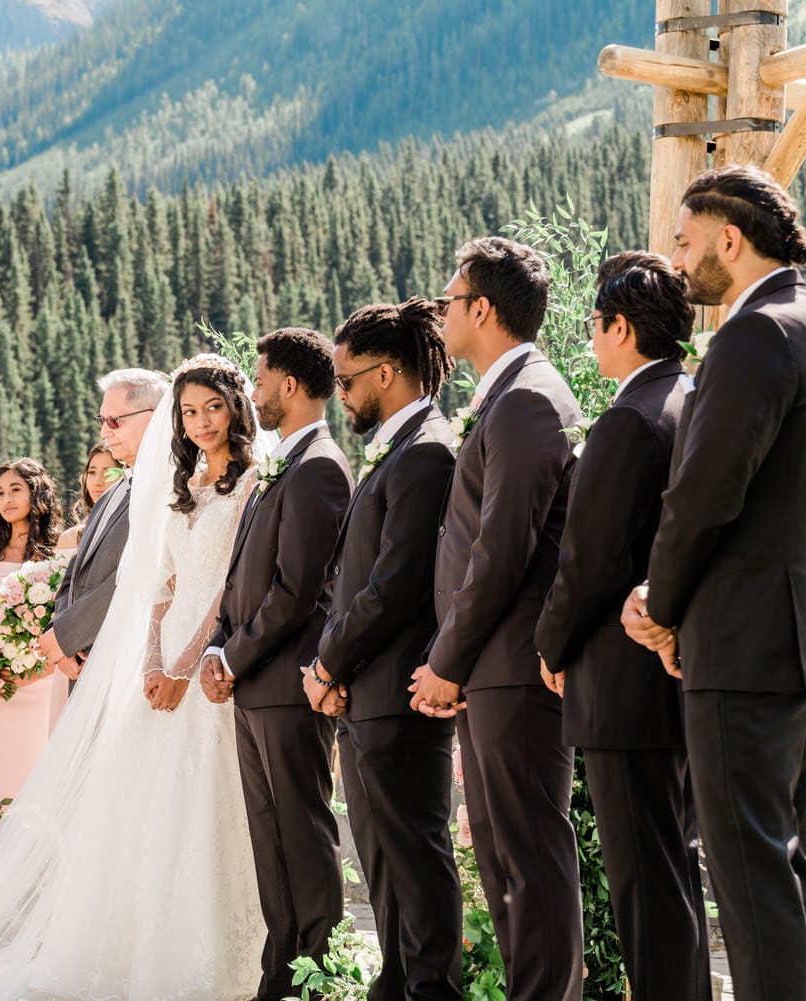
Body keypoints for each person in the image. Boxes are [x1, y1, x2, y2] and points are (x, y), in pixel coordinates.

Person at [0, 354, 268, 1001]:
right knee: (150, 811)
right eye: (190, 411)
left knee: (206, 806)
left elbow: (214, 582)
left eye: (114, 420)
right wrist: (149, 653)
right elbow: (150, 582)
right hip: (152, 662)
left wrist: (154, 659)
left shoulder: (242, 484)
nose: (106, 432)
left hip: (203, 664)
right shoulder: (174, 485)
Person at [622, 166, 806, 1001]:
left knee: (750, 878)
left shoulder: (753, 337)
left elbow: (706, 493)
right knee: (783, 864)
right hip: (795, 634)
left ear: (730, 238)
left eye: (685, 243)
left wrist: (660, 601)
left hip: (742, 639)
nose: (676, 263)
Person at [411, 237, 584, 1001]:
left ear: (482, 309)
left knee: (530, 857)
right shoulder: (510, 395)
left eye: (450, 299)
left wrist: (446, 659)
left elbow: (502, 551)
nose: (443, 311)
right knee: (507, 862)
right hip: (494, 665)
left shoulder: (525, 400)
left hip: (512, 662)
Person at [535, 252, 710, 1001]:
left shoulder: (627, 420)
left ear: (622, 327)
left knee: (645, 879)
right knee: (674, 869)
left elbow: (589, 559)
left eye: (594, 325)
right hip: (680, 677)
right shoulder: (691, 402)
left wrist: (550, 643)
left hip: (623, 682)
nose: (590, 338)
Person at [310, 300, 463, 1001]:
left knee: (416, 859)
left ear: (388, 371)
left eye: (346, 381)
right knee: (383, 862)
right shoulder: (401, 447)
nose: (340, 393)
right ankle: (397, 985)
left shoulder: (427, 449)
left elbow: (393, 584)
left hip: (398, 694)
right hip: (369, 694)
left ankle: (431, 989)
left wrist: (327, 662)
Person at [199, 327, 352, 1001]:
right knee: (271, 841)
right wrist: (216, 645)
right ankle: (280, 977)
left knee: (303, 834)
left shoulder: (319, 467)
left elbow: (297, 591)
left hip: (288, 683)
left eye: (258, 381)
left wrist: (231, 655)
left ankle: (317, 978)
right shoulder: (281, 465)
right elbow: (242, 579)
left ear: (289, 385)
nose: (252, 392)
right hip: (253, 685)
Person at [38, 369, 169, 681]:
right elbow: (76, 570)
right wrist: (59, 632)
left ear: (152, 417)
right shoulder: (112, 492)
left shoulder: (167, 488)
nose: (104, 433)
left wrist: (67, 635)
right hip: (85, 665)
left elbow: (139, 574)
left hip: (129, 664)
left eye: (115, 421)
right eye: (102, 421)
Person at [0, 457, 61, 851]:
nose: (6, 499)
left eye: (15, 489)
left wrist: (35, 668)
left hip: (44, 687)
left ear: (36, 491)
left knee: (41, 790)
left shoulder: (60, 551)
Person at [58, 442, 123, 551]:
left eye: (107, 473)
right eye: (92, 472)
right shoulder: (69, 540)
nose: (97, 482)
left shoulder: (133, 531)